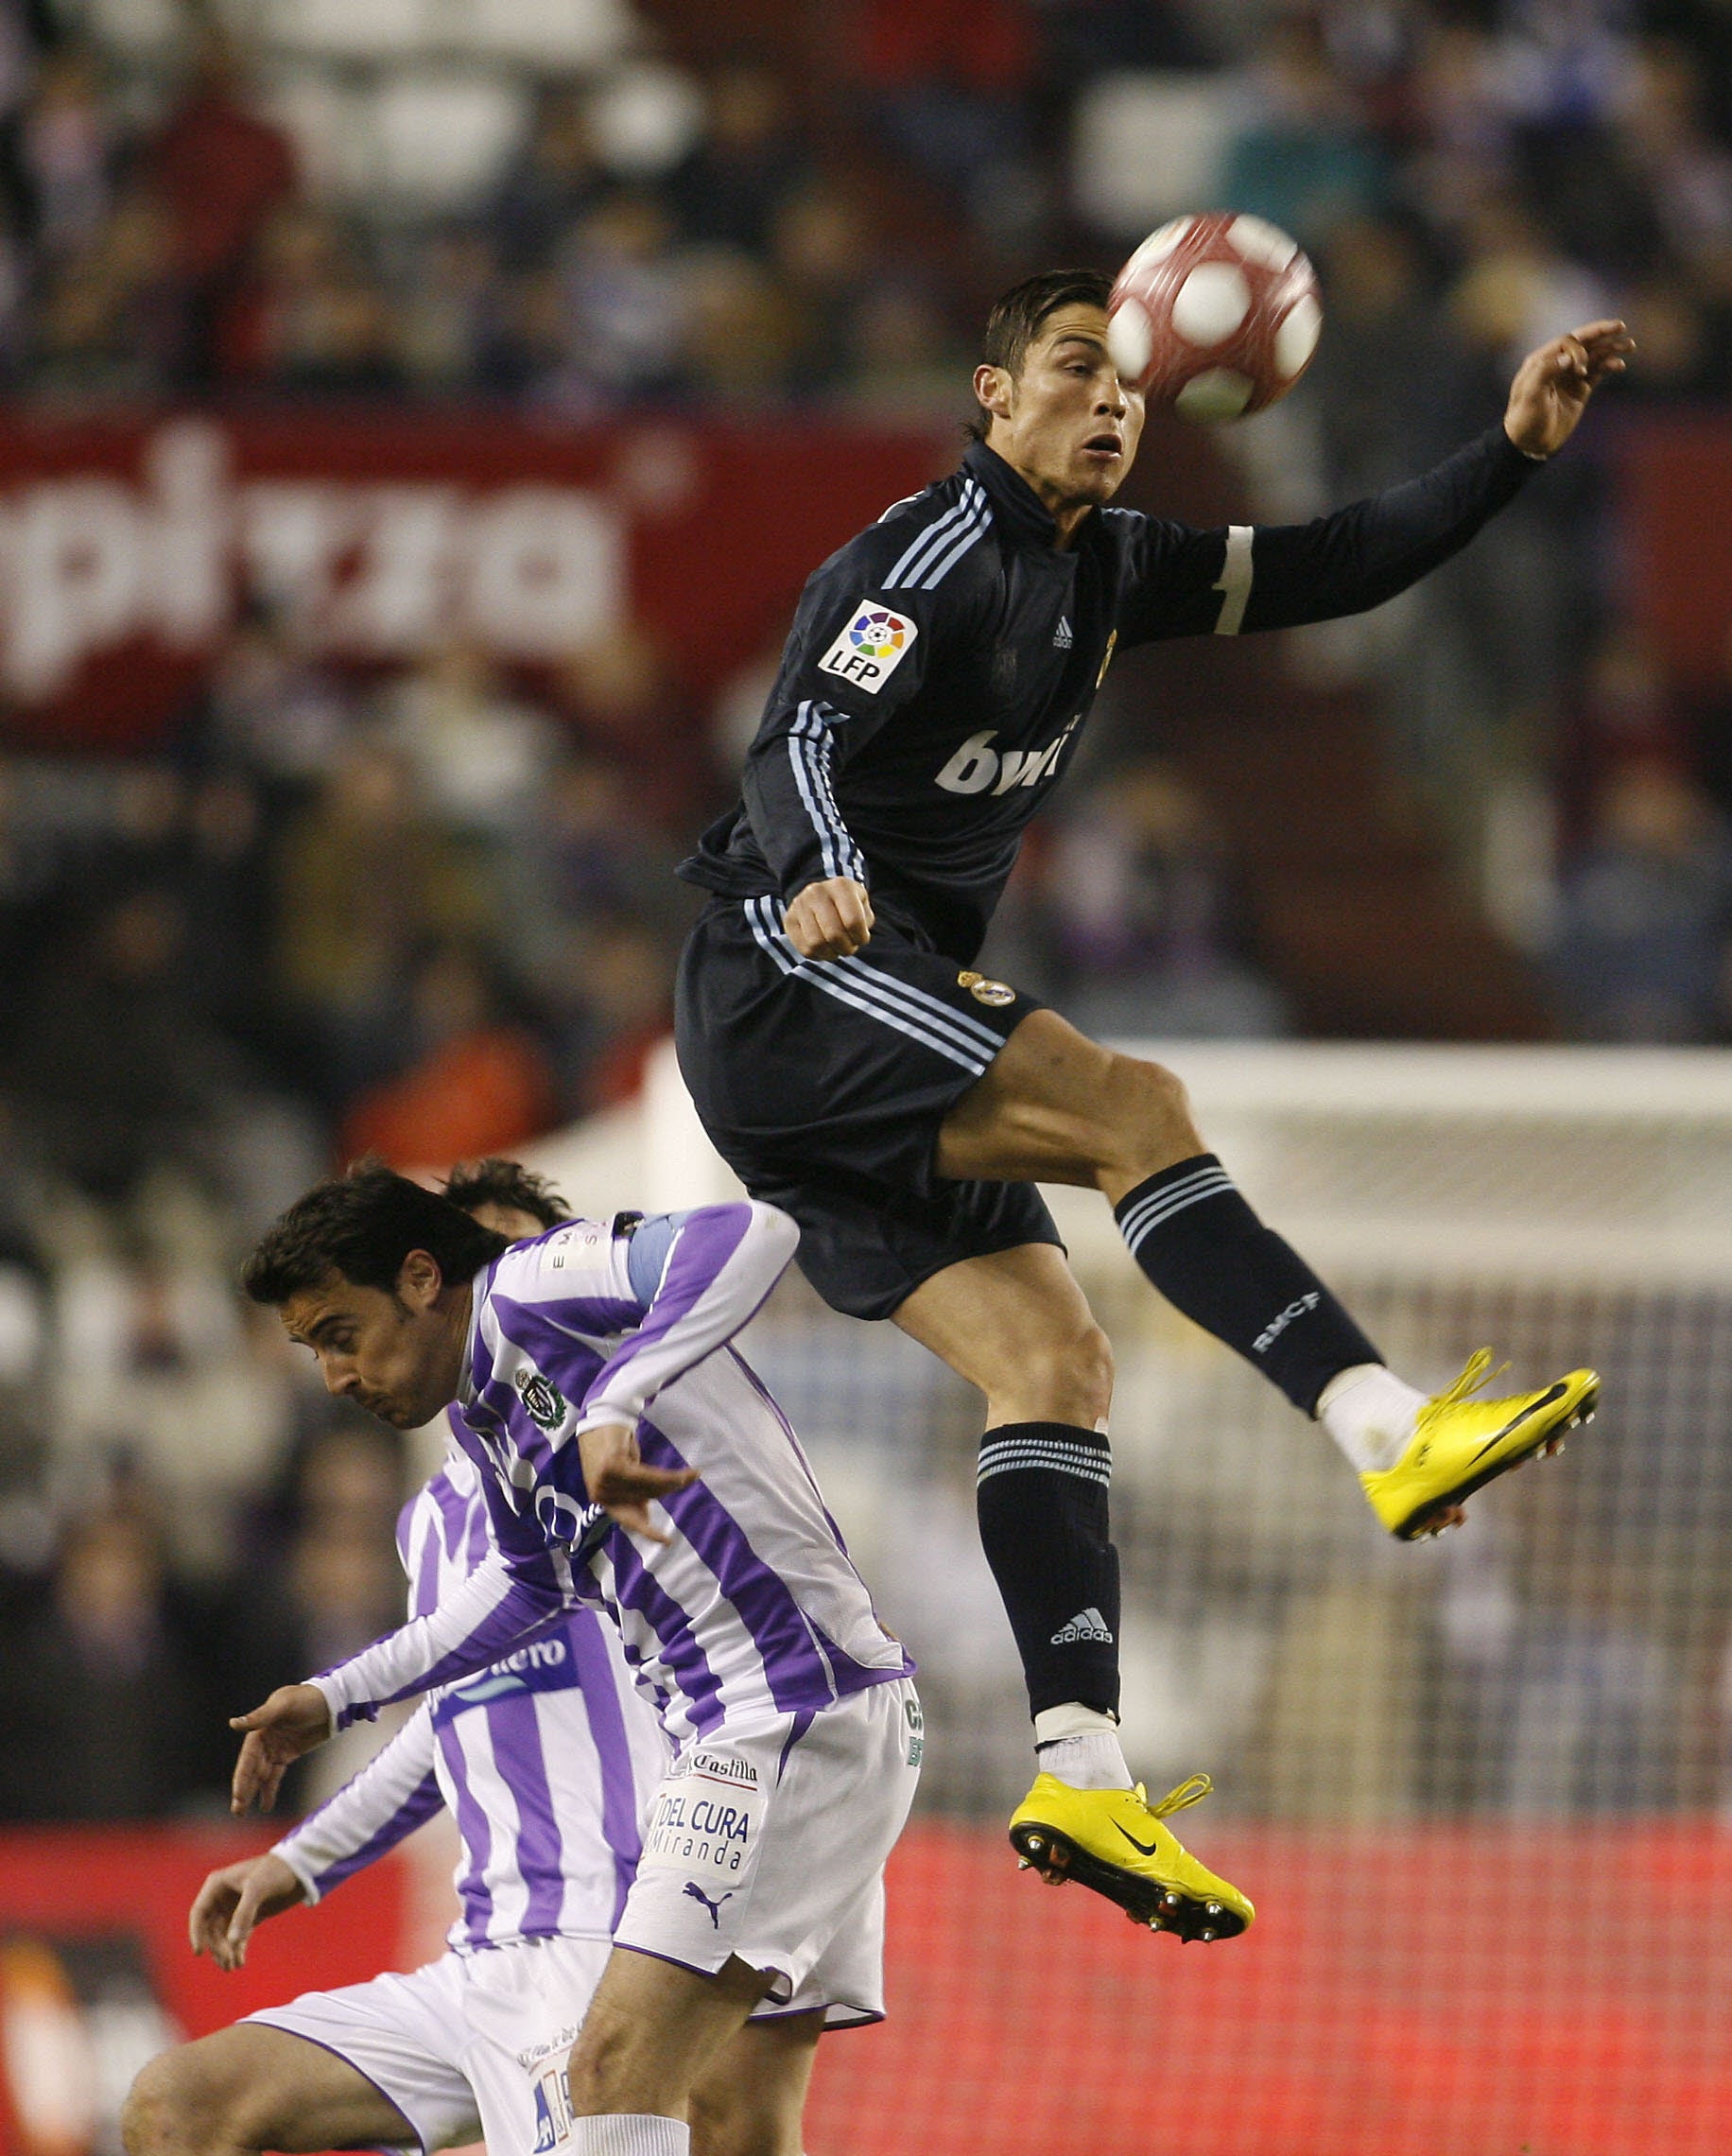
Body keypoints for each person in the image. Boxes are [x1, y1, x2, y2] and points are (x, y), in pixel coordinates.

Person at [673, 266, 1619, 1917]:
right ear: (991, 398)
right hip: (792, 979)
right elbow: (798, 743)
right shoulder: (925, 554)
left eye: (1129, 381)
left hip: (860, 1026)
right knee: (1135, 1108)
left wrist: (1511, 455)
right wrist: (821, 867)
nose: (1113, 400)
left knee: (1055, 1358)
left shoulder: (1112, 564)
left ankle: (1082, 1771)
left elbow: (1330, 566)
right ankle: (1387, 1425)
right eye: (1072, 370)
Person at [123, 1160, 838, 2156]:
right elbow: (455, 1719)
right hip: (479, 1956)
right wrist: (305, 1857)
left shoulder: (617, 1457)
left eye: (523, 1254)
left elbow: (713, 1675)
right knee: (177, 2108)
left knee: (738, 2124)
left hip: (621, 1928)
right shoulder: (438, 1524)